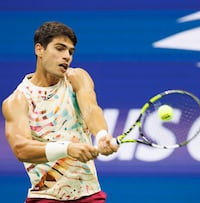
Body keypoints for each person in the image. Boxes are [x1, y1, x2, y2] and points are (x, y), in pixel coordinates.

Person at [2, 21, 119, 202]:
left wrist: (102, 135)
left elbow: (90, 109)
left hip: (89, 194)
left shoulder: (76, 78)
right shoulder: (18, 100)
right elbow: (21, 149)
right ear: (39, 49)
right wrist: (67, 149)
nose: (67, 56)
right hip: (45, 196)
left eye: (70, 52)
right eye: (60, 48)